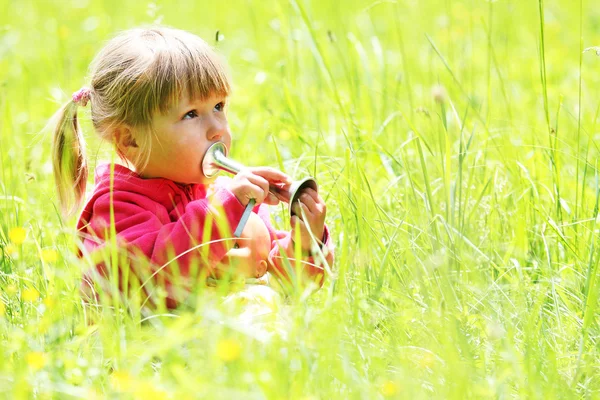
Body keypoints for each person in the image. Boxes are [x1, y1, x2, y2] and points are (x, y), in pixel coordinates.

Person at [49, 26, 334, 310]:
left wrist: (306, 243)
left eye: (219, 107)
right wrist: (223, 212)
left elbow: (286, 286)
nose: (216, 129)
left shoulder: (224, 199)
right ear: (130, 138)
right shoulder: (116, 211)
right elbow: (160, 280)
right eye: (191, 114)